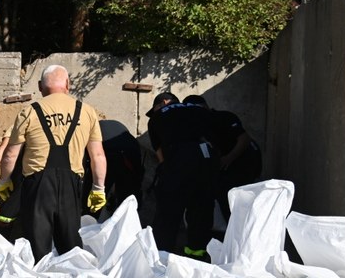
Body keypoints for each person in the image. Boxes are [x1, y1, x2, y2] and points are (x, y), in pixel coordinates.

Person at [0, 65, 107, 261]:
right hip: (71, 186)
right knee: (71, 246)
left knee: (38, 248)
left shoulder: (29, 111)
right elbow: (97, 155)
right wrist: (99, 188)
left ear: (40, 86)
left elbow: (9, 156)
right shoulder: (86, 111)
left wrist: (4, 181)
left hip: (37, 187)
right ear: (68, 85)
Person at [146, 92, 219, 260]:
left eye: (155, 107)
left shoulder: (158, 117)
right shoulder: (196, 108)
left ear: (164, 102)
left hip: (180, 158)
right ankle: (197, 256)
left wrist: (168, 171)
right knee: (201, 210)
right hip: (207, 158)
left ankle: (162, 258)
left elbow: (161, 155)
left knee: (168, 211)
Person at [182, 94, 261, 223]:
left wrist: (228, 158)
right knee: (225, 201)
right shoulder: (199, 124)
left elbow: (244, 139)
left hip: (243, 164)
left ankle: (239, 235)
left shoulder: (223, 117)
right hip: (227, 169)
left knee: (236, 204)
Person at [81, 119, 143, 218]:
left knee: (92, 202)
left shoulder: (92, 131)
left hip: (111, 153)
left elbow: (89, 163)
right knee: (128, 199)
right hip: (127, 154)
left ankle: (89, 220)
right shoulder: (116, 128)